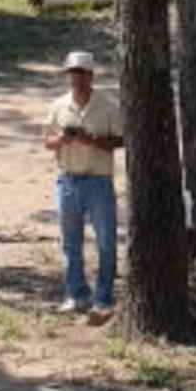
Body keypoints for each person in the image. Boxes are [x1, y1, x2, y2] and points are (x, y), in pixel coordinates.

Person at [43, 49, 127, 320]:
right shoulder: (58, 106)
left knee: (105, 241)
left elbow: (121, 140)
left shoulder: (108, 105)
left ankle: (103, 298)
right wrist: (63, 140)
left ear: (91, 75)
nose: (76, 78)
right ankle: (76, 294)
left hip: (98, 180)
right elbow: (47, 141)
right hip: (67, 178)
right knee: (70, 241)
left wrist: (93, 141)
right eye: (72, 73)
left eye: (81, 73)